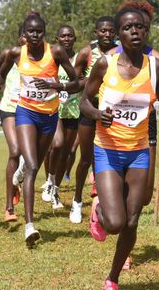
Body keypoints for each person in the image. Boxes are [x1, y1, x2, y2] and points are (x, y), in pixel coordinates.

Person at [80, 7, 159, 290]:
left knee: (132, 220)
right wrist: (98, 115)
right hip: (108, 150)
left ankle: (112, 278)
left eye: (139, 27)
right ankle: (98, 211)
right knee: (114, 222)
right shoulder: (105, 64)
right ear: (118, 34)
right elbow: (84, 101)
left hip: (138, 152)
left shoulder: (157, 66)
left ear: (146, 31)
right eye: (127, 28)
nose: (134, 31)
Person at [0, 13, 78, 247]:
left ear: (44, 33)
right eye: (31, 32)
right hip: (26, 113)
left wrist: (56, 85)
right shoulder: (16, 53)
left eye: (39, 31)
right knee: (32, 166)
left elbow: (77, 81)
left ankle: (18, 176)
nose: (35, 35)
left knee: (36, 162)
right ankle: (29, 226)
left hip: (50, 115)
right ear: (24, 34)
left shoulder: (56, 53)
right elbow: (1, 71)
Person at [60, 16, 116, 224]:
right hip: (89, 108)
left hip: (112, 111)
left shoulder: (121, 52)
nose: (107, 35)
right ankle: (76, 201)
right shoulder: (86, 52)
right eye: (103, 31)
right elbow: (74, 83)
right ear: (96, 32)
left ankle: (105, 200)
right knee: (85, 158)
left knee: (111, 157)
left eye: (111, 31)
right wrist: (87, 81)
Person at [0, 26, 26, 222]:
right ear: (19, 38)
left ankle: (18, 179)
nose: (28, 39)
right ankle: (9, 207)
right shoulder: (11, 54)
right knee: (15, 151)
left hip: (31, 110)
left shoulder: (44, 57)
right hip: (9, 108)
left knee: (30, 156)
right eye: (24, 36)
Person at [41, 25, 80, 212]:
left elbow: (83, 82)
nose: (66, 38)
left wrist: (62, 86)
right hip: (54, 107)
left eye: (70, 36)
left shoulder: (80, 57)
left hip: (73, 109)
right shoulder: (51, 56)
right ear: (57, 39)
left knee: (67, 151)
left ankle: (55, 189)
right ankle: (49, 178)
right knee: (55, 146)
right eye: (63, 36)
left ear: (75, 38)